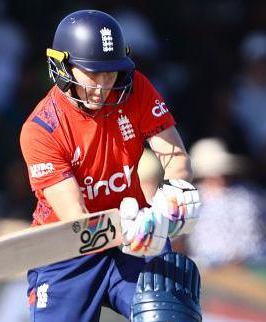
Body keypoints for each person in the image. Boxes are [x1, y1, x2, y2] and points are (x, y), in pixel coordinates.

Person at [20, 10, 202, 322]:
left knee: (169, 316)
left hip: (136, 241)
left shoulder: (136, 89)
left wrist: (172, 198)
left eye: (111, 73)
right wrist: (125, 228)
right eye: (92, 74)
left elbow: (175, 158)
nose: (103, 86)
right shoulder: (41, 129)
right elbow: (75, 218)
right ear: (63, 67)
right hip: (68, 251)